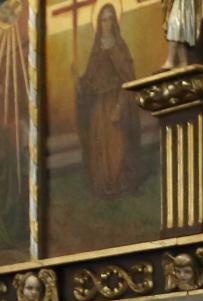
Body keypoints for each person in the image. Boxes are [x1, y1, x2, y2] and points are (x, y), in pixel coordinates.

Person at [76, 4, 145, 198]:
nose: (106, 24)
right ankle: (103, 185)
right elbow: (90, 77)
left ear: (115, 21)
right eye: (103, 20)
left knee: (117, 146)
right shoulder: (96, 49)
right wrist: (80, 82)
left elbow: (128, 75)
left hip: (116, 101)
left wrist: (113, 49)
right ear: (98, 23)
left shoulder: (120, 45)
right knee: (99, 146)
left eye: (110, 19)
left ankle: (118, 183)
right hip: (99, 106)